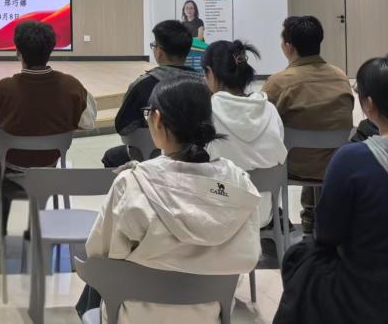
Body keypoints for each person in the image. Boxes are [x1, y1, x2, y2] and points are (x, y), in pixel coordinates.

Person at [79, 79, 261, 324]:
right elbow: (249, 255)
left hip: (137, 316)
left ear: (156, 119)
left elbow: (98, 254)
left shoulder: (133, 184)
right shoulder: (238, 183)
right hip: (208, 315)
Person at [275, 57, 388, 324]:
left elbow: (327, 234)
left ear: (369, 105)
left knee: (298, 257)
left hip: (363, 293)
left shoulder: (352, 158)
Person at [0, 21, 94, 256]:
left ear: (18, 52)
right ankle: (34, 229)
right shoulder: (72, 86)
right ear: (51, 50)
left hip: (9, 170)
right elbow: (88, 122)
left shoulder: (4, 88)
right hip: (50, 168)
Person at [262, 15, 353, 235]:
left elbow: (261, 122)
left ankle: (269, 220)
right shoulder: (341, 77)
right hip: (334, 161)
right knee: (316, 147)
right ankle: (312, 215)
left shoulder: (278, 82)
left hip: (294, 166)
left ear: (288, 47)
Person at [203, 40, 286, 227]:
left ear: (210, 73)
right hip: (264, 213)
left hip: (219, 215)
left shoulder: (207, 112)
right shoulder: (270, 110)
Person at [101, 20, 201, 168]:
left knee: (111, 157)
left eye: (154, 45)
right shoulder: (203, 85)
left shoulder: (142, 85)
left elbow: (122, 127)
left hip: (147, 158)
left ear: (159, 52)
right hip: (193, 158)